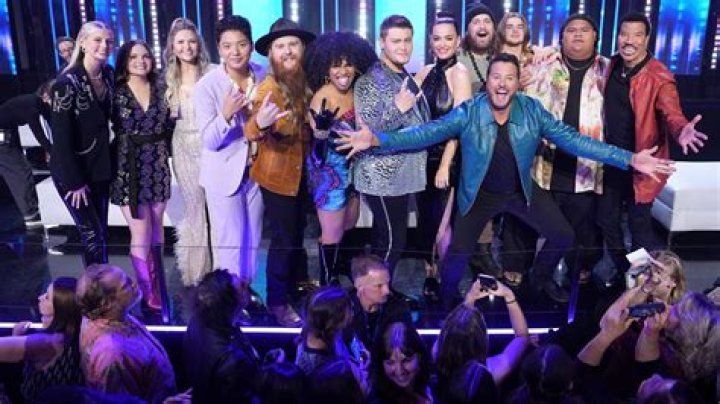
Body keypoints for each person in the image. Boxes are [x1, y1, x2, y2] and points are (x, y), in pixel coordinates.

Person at [337, 53, 676, 307]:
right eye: (496, 77)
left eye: (509, 78)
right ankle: (446, 302)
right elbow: (424, 133)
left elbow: (576, 141)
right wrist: (377, 138)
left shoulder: (531, 111)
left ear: (517, 83)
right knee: (456, 256)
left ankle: (535, 284)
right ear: (487, 81)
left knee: (563, 235)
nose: (501, 84)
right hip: (479, 194)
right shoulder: (469, 111)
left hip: (520, 191)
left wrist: (630, 158)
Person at [599, 13, 708, 286]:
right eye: (624, 34)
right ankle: (624, 268)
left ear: (647, 39)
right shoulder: (613, 65)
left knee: (638, 226)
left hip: (645, 165)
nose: (629, 41)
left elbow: (672, 114)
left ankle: (644, 277)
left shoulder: (659, 76)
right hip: (615, 159)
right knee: (606, 219)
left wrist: (682, 130)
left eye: (637, 35)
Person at [502, 14, 608, 287]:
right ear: (561, 38)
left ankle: (575, 269)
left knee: (580, 222)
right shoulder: (542, 63)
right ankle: (516, 266)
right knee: (525, 217)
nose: (577, 34)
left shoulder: (607, 70)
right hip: (541, 157)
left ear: (595, 36)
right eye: (571, 30)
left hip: (585, 162)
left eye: (584, 30)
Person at [245, 18, 315, 327]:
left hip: (302, 175)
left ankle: (298, 287)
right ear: (271, 53)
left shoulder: (306, 81)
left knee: (298, 233)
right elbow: (252, 129)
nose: (287, 51)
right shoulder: (268, 88)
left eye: (293, 45)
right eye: (280, 46)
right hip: (277, 178)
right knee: (284, 240)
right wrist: (260, 124)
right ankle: (277, 302)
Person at [352, 15, 430, 281]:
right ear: (382, 42)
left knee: (385, 240)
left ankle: (378, 292)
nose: (403, 47)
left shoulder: (402, 74)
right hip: (381, 176)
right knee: (392, 242)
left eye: (407, 40)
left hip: (400, 175)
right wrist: (398, 108)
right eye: (396, 41)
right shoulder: (370, 80)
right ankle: (374, 293)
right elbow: (368, 132)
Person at [194, 15, 265, 290]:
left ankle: (245, 293)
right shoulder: (207, 86)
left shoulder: (263, 75)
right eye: (227, 46)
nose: (235, 52)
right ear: (219, 49)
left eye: (242, 44)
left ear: (251, 45)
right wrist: (225, 114)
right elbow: (209, 141)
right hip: (223, 174)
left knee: (253, 241)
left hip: (257, 172)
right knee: (230, 244)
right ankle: (229, 299)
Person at [303, 31, 377, 286]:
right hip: (329, 173)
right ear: (326, 69)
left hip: (353, 169)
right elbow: (316, 150)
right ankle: (327, 283)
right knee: (331, 232)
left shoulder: (357, 91)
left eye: (348, 64)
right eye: (336, 65)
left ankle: (336, 272)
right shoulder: (322, 97)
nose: (343, 71)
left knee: (348, 224)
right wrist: (321, 133)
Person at [110, 40, 174, 314]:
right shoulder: (115, 91)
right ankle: (147, 291)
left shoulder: (162, 88)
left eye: (145, 56)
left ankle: (159, 285)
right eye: (134, 56)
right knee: (140, 231)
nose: (140, 61)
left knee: (157, 228)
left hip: (157, 164)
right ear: (125, 61)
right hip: (128, 166)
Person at [414, 11, 472, 301]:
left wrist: (445, 165)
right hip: (421, 159)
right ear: (430, 41)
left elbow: (459, 125)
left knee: (442, 225)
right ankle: (430, 274)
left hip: (447, 159)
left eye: (448, 38)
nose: (442, 44)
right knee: (427, 221)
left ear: (458, 41)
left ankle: (447, 281)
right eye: (437, 38)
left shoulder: (460, 73)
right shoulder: (424, 71)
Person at [49, 21, 115, 267]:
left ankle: (102, 281)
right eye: (97, 40)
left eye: (108, 41)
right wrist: (75, 182)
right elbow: (60, 139)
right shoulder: (66, 83)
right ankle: (95, 286)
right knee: (91, 234)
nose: (104, 45)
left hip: (99, 167)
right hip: (73, 171)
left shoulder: (108, 75)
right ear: (83, 43)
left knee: (101, 232)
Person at [163, 17, 214, 286]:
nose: (187, 47)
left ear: (199, 44)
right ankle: (197, 272)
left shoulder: (213, 73)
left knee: (216, 211)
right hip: (183, 148)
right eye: (181, 42)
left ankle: (221, 271)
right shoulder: (167, 80)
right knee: (195, 210)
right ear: (172, 47)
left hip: (213, 148)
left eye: (191, 41)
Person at [76, 264, 176, 402]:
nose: (134, 284)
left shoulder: (117, 316)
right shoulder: (111, 352)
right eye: (126, 285)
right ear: (106, 303)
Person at [456, 2, 503, 277]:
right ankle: (469, 253)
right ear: (468, 29)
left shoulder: (502, 57)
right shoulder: (458, 57)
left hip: (496, 140)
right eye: (476, 22)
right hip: (463, 141)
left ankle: (483, 251)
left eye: (487, 21)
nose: (482, 26)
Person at [0, 278, 83, 402]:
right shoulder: (75, 338)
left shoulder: (47, 342)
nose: (40, 298)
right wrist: (16, 337)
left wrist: (15, 339)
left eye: (47, 297)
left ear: (62, 308)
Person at [183, 270, 260, 403]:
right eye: (241, 286)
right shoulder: (231, 362)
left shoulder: (197, 320)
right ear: (233, 303)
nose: (245, 283)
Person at [0, 81, 54, 228]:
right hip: (3, 135)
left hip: (9, 133)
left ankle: (32, 211)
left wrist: (54, 148)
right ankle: (31, 215)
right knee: (20, 173)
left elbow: (51, 124)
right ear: (45, 95)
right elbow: (39, 133)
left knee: (21, 170)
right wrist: (51, 152)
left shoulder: (39, 105)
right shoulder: (31, 105)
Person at [346, 254, 413, 349]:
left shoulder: (398, 308)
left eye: (387, 283)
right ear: (359, 286)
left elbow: (414, 347)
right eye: (379, 286)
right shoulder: (343, 310)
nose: (387, 291)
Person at [296, 286, 354, 374]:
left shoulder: (330, 332)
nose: (352, 313)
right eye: (350, 309)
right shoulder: (322, 366)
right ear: (335, 318)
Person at [370, 322, 432, 403]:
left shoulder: (434, 388)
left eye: (406, 361)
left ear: (419, 357)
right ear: (381, 365)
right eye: (390, 362)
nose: (399, 371)